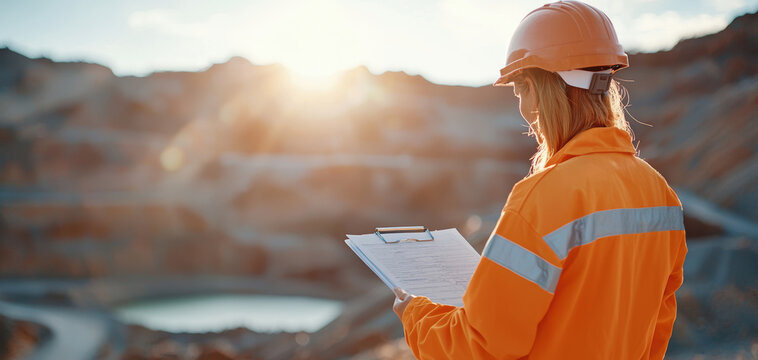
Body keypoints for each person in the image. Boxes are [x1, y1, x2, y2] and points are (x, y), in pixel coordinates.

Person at [391, 1, 687, 359]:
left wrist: (416, 316)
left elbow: (482, 346)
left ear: (534, 88)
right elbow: (657, 328)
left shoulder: (541, 197)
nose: (522, 106)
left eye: (519, 90)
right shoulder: (661, 195)